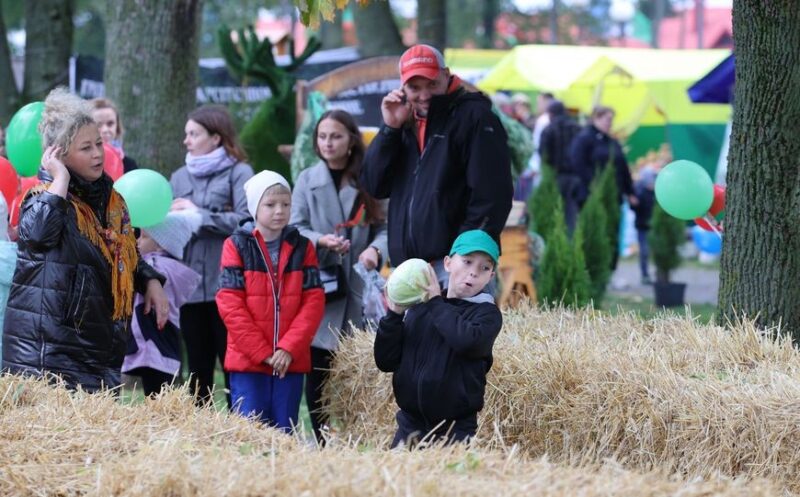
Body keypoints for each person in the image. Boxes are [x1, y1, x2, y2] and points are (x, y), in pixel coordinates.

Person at [2, 87, 168, 392]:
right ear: (59, 154)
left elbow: (120, 250)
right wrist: (60, 180)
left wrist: (149, 280)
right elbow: (37, 236)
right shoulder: (43, 199)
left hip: (97, 348)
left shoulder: (112, 200)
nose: (97, 154)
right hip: (50, 357)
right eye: (85, 148)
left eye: (99, 144)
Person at [361, 44, 513, 286]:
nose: (424, 95)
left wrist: (466, 257)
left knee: (460, 324)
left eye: (432, 84)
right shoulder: (403, 120)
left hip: (456, 265)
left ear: (446, 74)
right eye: (414, 87)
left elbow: (492, 195)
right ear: (402, 86)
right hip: (409, 267)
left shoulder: (475, 116)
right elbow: (374, 185)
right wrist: (390, 129)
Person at [290, 109, 388, 443]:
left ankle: (355, 435)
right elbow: (293, 227)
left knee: (356, 366)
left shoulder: (368, 179)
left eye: (336, 136)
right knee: (317, 365)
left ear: (351, 141)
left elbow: (384, 227)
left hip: (359, 285)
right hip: (321, 284)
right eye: (322, 137)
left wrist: (375, 250)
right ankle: (319, 436)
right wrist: (320, 240)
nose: (328, 143)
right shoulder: (306, 179)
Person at [216, 170, 324, 432]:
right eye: (270, 204)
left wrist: (288, 348)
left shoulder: (303, 247)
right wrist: (262, 352)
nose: (279, 211)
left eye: (286, 204)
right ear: (255, 207)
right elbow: (230, 304)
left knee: (284, 434)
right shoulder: (236, 245)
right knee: (250, 435)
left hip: (290, 361)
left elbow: (313, 301)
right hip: (249, 362)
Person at [374, 229, 503, 448]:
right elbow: (386, 362)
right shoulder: (419, 309)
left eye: (485, 267)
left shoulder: (487, 315)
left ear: (491, 276)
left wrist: (435, 302)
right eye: (467, 261)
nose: (473, 272)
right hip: (409, 427)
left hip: (455, 432)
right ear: (448, 263)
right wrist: (393, 316)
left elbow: (466, 342)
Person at [170, 104, 254, 407]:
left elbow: (247, 221)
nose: (187, 141)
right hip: (190, 288)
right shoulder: (178, 177)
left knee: (232, 359)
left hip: (228, 286)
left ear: (216, 138)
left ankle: (242, 421)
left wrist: (200, 216)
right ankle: (201, 431)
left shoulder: (240, 172)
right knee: (197, 366)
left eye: (194, 134)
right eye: (186, 134)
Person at [122, 212, 202, 396]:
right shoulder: (174, 268)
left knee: (156, 391)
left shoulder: (155, 265)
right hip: (164, 340)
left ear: (160, 244)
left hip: (152, 338)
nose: (137, 241)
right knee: (160, 391)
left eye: (144, 236)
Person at [569, 105, 637, 268]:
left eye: (611, 120)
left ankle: (610, 270)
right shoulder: (584, 139)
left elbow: (623, 167)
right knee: (593, 233)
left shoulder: (612, 141)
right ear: (596, 118)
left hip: (614, 197)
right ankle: (590, 269)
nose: (610, 123)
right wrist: (595, 186)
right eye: (607, 119)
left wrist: (630, 191)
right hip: (590, 197)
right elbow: (577, 164)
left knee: (612, 234)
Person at [539, 101, 582, 234]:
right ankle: (571, 241)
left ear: (551, 114)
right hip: (576, 177)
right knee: (572, 213)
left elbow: (543, 153)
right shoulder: (577, 128)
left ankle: (558, 239)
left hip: (556, 176)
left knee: (555, 211)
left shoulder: (549, 129)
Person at [90, 97, 138, 173]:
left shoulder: (129, 165)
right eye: (98, 125)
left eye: (110, 123)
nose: (105, 130)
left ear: (117, 127)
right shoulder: (79, 165)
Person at [632, 167, 657, 285]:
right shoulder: (640, 191)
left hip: (654, 227)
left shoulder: (656, 192)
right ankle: (645, 275)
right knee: (644, 251)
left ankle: (659, 275)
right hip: (643, 226)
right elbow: (634, 207)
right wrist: (634, 203)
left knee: (657, 251)